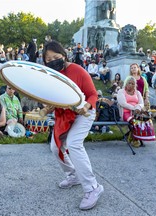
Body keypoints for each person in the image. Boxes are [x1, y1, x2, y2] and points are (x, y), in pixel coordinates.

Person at [42, 40, 103, 210]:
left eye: (56, 56)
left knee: (74, 144)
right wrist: (47, 107)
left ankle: (92, 188)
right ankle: (73, 175)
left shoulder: (77, 70)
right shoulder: (51, 75)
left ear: (64, 54)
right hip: (64, 115)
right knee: (55, 148)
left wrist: (86, 106)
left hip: (84, 113)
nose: (53, 60)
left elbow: (92, 94)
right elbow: (53, 98)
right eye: (48, 58)